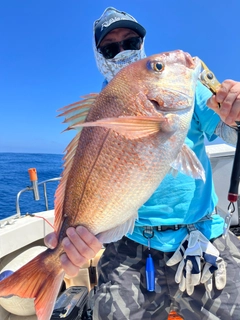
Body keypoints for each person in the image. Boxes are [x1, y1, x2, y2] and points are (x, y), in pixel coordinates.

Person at [45, 7, 240, 320]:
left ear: (142, 44)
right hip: (131, 245)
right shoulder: (101, 113)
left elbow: (231, 131)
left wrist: (237, 111)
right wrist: (74, 243)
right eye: (110, 48)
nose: (122, 51)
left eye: (131, 42)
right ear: (101, 57)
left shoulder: (189, 91)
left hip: (202, 236)